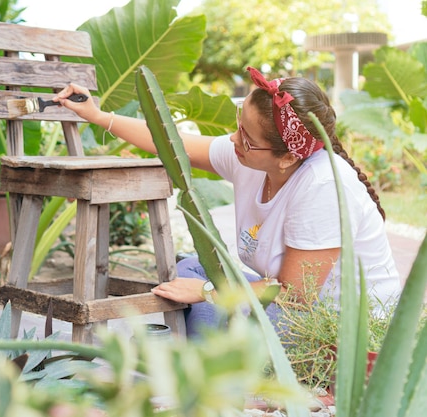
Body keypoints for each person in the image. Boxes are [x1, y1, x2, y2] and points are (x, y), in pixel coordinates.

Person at [55, 67, 401, 337]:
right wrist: (99, 117)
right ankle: (208, 355)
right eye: (239, 125)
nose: (234, 140)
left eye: (246, 138)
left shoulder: (322, 185)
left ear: (285, 158)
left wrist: (208, 292)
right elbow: (175, 143)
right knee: (189, 268)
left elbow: (295, 296)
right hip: (289, 305)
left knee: (202, 291)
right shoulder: (250, 156)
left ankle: (207, 365)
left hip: (333, 328)